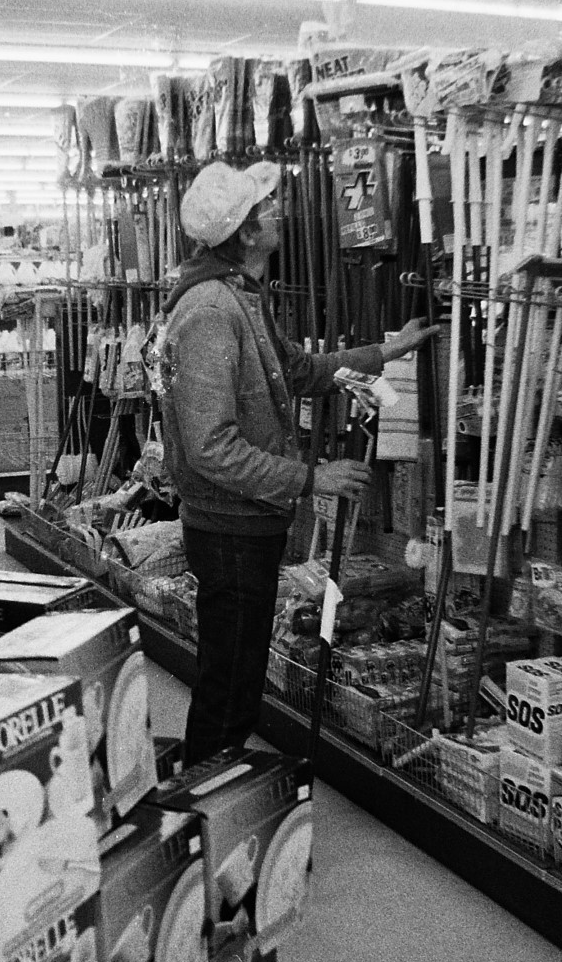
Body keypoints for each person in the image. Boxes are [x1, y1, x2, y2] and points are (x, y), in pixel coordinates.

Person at [157, 160, 437, 769]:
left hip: (248, 525)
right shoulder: (210, 311)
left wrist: (387, 350)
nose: (280, 211)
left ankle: (220, 794)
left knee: (239, 677)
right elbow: (212, 448)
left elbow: (300, 371)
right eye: (268, 207)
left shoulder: (241, 298)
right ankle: (207, 801)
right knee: (228, 684)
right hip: (229, 529)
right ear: (248, 233)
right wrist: (314, 478)